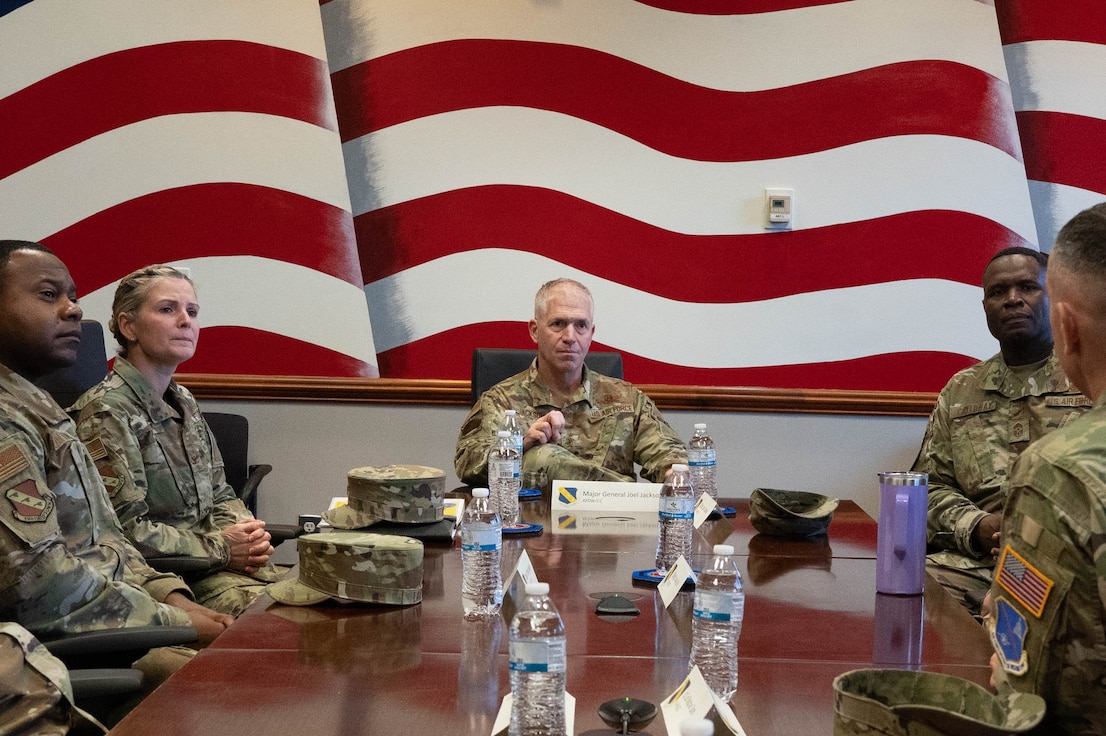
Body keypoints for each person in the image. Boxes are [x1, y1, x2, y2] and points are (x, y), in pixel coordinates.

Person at [0, 241, 232, 662]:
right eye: (49, 295)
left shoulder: (39, 409)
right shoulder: (10, 421)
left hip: (119, 611)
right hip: (50, 650)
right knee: (240, 680)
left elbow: (106, 542)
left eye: (73, 297)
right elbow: (36, 582)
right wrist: (173, 621)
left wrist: (174, 600)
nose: (73, 310)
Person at [71, 266, 282, 617]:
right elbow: (123, 532)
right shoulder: (106, 412)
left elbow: (220, 494)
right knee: (290, 624)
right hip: (168, 582)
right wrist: (225, 548)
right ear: (129, 327)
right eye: (168, 309)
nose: (186, 321)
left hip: (221, 565)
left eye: (192, 311)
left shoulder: (182, 399)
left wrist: (249, 536)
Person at [912, 246, 1090, 617]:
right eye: (998, 292)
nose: (1012, 300)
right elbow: (925, 491)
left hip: (1071, 570)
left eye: (1027, 287)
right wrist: (976, 525)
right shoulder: (962, 390)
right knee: (910, 590)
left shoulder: (1091, 378)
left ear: (1056, 297)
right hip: (978, 566)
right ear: (985, 308)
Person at [987, 202, 1106, 734]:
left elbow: (1029, 695)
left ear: (1064, 325)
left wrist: (1000, 650)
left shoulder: (1059, 472)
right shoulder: (961, 389)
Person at [454, 278, 687, 492]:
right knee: (542, 455)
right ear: (535, 331)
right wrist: (519, 444)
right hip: (532, 527)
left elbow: (670, 454)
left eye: (581, 326)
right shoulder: (501, 401)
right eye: (558, 324)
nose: (570, 336)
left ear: (591, 333)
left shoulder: (626, 399)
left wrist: (675, 474)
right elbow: (468, 462)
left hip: (611, 529)